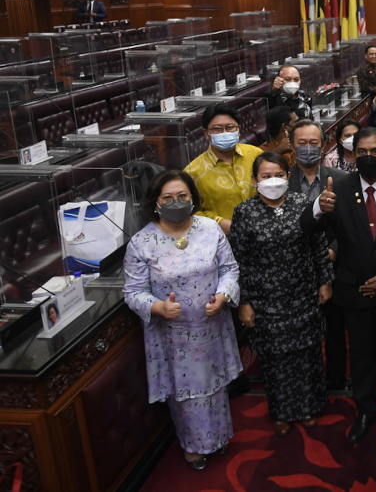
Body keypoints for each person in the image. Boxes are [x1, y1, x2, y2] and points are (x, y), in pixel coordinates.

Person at [302, 127, 376, 445]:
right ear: (354, 155)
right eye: (363, 152)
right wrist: (318, 206)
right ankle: (366, 410)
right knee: (362, 356)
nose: (369, 156)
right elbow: (306, 228)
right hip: (353, 291)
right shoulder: (338, 189)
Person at [124, 170, 242, 470]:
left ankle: (219, 436)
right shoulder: (141, 243)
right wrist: (158, 307)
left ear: (193, 199)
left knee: (215, 386)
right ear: (156, 202)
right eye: (168, 198)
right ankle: (194, 446)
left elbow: (230, 270)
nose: (176, 202)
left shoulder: (210, 229)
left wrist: (224, 295)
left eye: (182, 197)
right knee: (186, 394)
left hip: (212, 326)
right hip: (173, 335)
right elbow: (133, 291)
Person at [229, 151, 334, 435]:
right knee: (275, 361)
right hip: (265, 301)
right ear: (254, 180)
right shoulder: (244, 212)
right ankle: (281, 412)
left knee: (308, 355)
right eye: (266, 176)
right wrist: (245, 302)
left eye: (278, 175)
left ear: (288, 177)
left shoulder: (304, 204)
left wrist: (325, 280)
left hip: (303, 293)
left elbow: (318, 245)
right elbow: (238, 261)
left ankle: (310, 407)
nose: (272, 180)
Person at [287, 120, 350, 393]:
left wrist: (333, 251)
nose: (308, 149)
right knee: (298, 331)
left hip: (335, 264)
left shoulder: (342, 179)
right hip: (294, 267)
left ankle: (336, 379)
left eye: (314, 143)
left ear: (324, 145)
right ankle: (304, 383)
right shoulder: (280, 182)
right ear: (292, 146)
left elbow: (350, 225)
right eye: (302, 143)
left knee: (335, 328)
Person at [184, 104, 263, 235]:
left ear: (238, 130)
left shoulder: (256, 155)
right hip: (222, 238)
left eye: (230, 127)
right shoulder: (193, 172)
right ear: (206, 133)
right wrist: (219, 223)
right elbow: (190, 212)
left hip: (264, 233)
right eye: (217, 129)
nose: (225, 132)